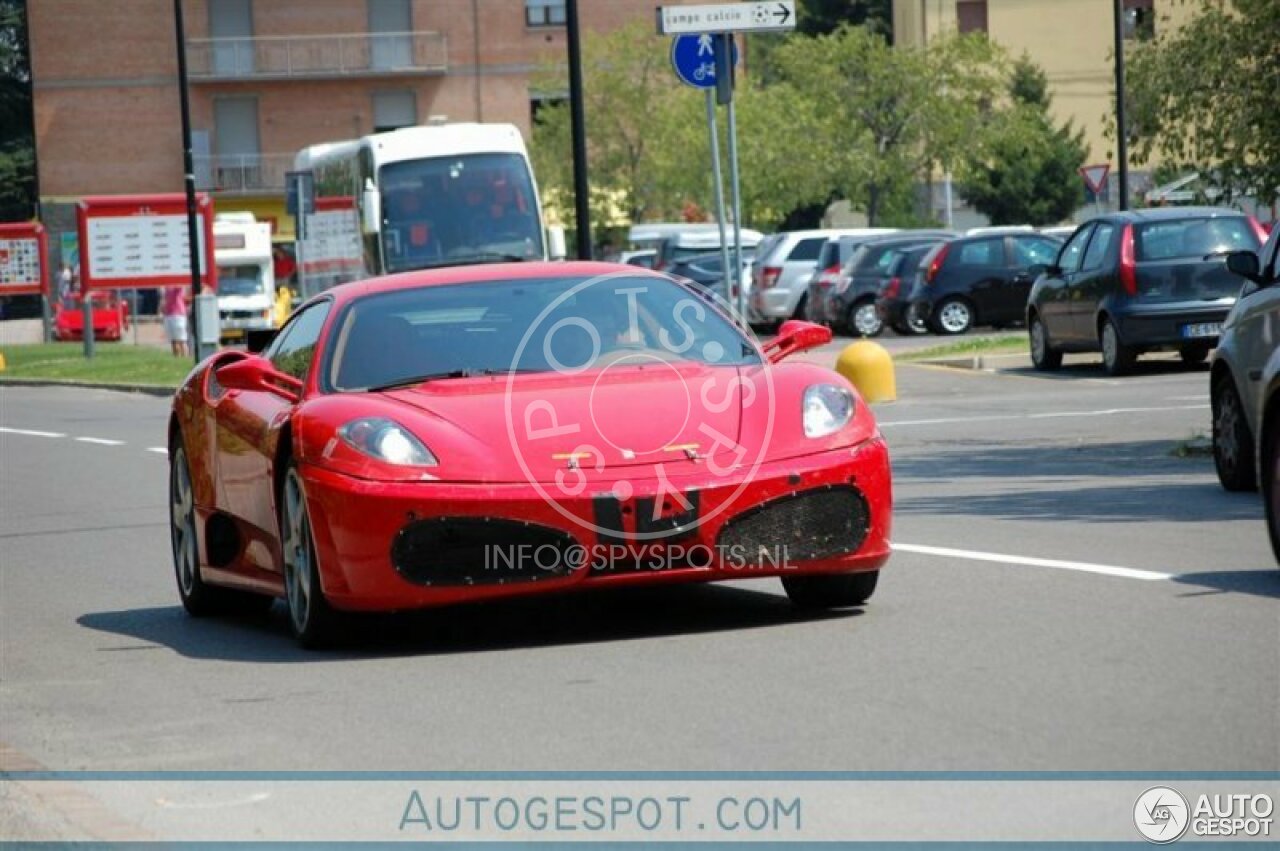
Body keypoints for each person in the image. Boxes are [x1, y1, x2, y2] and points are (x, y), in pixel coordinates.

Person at [162, 286, 189, 357]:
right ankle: (176, 357)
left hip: (178, 315)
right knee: (173, 340)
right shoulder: (167, 287)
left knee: (181, 340)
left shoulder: (178, 286)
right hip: (168, 314)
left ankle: (184, 356)